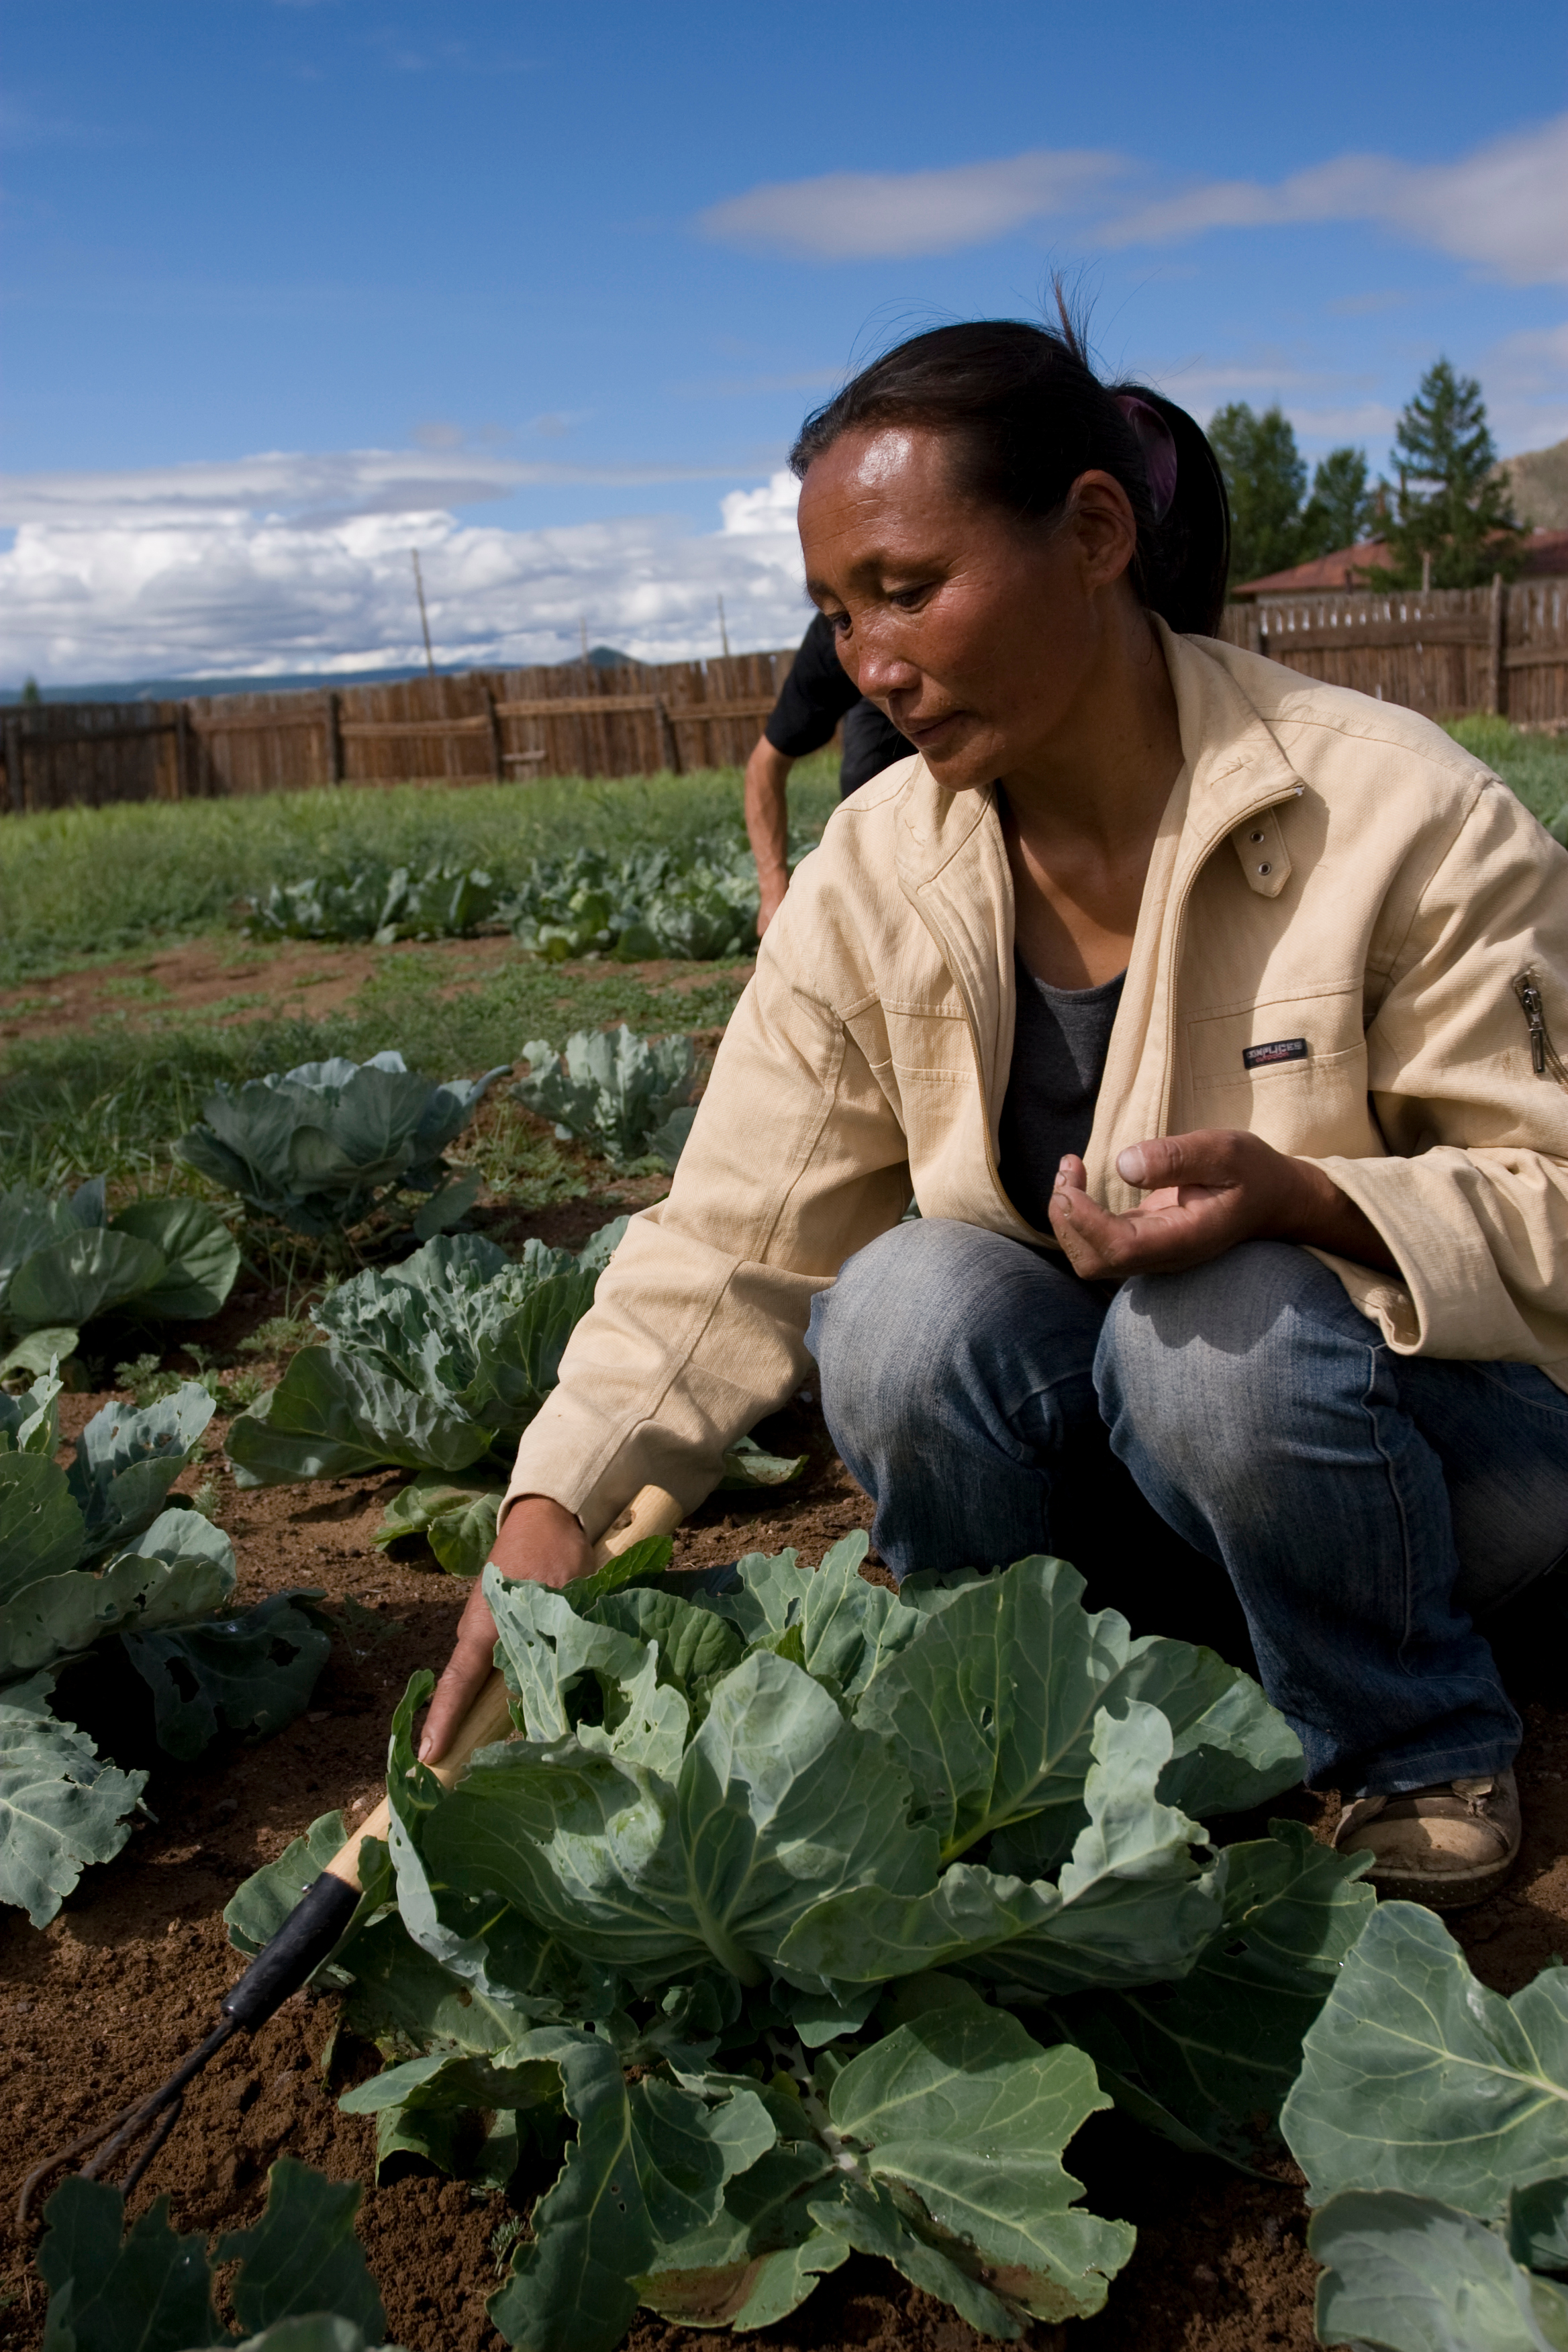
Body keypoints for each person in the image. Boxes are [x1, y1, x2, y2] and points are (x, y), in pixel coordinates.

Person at [424, 313, 1568, 1912]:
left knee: (1212, 1323)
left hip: (1436, 1470)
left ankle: (1409, 1732)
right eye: (836, 610)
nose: (868, 661)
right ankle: (1017, 1703)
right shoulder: (879, 865)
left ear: (1092, 532)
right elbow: (728, 1233)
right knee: (896, 1303)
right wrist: (553, 1506)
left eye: (907, 589)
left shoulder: (1393, 810)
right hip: (1144, 1469)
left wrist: (1314, 1204)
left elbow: (1547, 1201)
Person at [744, 610, 912, 932]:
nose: (874, 677)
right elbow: (763, 766)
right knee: (865, 775)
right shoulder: (831, 636)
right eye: (844, 621)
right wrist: (773, 892)